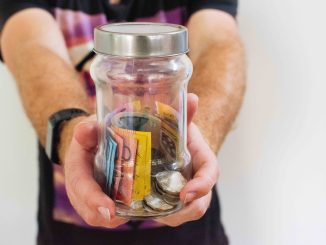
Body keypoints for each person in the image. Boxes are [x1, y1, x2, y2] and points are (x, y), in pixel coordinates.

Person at [0, 0, 245, 244]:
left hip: (191, 232)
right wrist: (71, 134)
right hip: (72, 232)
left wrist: (192, 141)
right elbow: (30, 43)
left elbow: (219, 41)